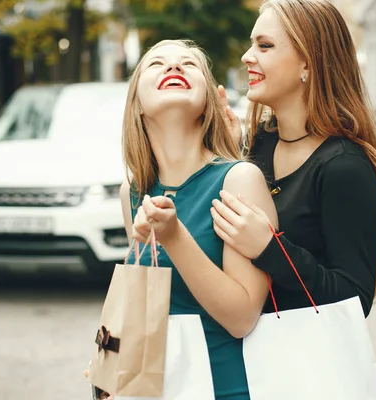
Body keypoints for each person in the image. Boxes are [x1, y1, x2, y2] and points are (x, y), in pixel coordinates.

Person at [212, 0, 376, 318]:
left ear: (307, 65)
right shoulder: (262, 143)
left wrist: (270, 249)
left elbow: (354, 299)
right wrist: (230, 154)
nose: (247, 56)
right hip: (248, 353)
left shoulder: (344, 167)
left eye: (264, 46)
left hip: (305, 359)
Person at [117, 39, 277, 400]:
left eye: (188, 64)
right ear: (137, 105)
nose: (173, 67)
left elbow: (241, 319)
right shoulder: (130, 190)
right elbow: (149, 304)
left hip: (226, 389)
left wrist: (173, 236)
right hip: (157, 388)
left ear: (208, 101)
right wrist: (114, 364)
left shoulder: (239, 180)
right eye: (156, 64)